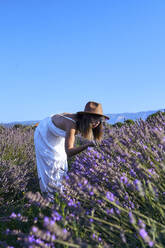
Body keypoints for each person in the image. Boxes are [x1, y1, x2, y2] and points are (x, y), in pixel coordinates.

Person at [34, 101, 109, 199]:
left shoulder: (86, 123)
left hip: (57, 132)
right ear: (85, 118)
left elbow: (96, 140)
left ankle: (61, 195)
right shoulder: (72, 124)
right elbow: (69, 152)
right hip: (45, 132)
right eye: (93, 119)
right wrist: (87, 145)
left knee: (61, 164)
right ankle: (50, 198)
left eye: (98, 119)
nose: (96, 123)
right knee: (51, 163)